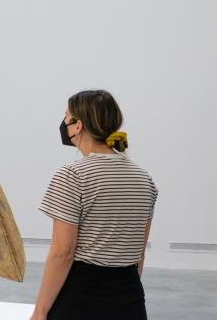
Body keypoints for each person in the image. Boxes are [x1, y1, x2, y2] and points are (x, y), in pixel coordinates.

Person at [30, 89, 158, 320]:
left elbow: (63, 253)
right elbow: (139, 254)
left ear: (77, 126)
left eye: (67, 117)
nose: (64, 124)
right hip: (130, 300)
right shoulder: (144, 179)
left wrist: (40, 312)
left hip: (80, 300)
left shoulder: (72, 176)